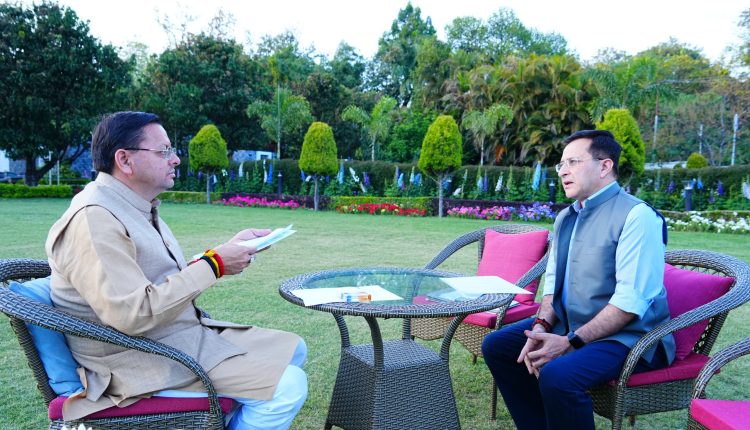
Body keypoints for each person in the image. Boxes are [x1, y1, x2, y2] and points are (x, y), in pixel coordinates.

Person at [45, 111, 307, 430]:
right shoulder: (95, 218)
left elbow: (159, 279)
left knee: (294, 349)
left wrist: (221, 253)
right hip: (135, 362)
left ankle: (217, 421)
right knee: (288, 386)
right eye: (164, 151)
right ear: (124, 160)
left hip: (176, 338)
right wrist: (215, 264)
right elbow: (133, 314)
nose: (176, 159)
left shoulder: (133, 207)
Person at [482, 130, 676, 430]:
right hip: (571, 325)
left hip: (630, 337)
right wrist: (540, 326)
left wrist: (570, 343)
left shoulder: (638, 216)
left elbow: (629, 304)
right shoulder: (566, 217)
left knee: (559, 375)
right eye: (561, 164)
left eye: (573, 162)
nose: (563, 171)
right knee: (498, 346)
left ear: (605, 166)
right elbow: (552, 286)